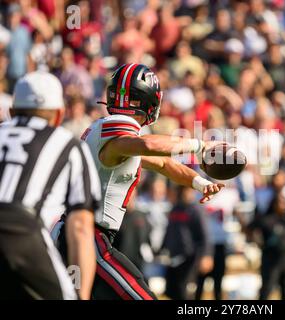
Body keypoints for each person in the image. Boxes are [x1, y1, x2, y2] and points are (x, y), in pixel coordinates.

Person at [53, 63, 225, 300]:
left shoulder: (111, 137)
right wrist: (201, 145)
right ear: (149, 101)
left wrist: (199, 183)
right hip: (88, 238)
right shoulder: (115, 129)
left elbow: (163, 163)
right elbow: (149, 145)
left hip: (77, 236)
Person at [0, 71, 100, 299]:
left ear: (12, 111)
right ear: (58, 115)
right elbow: (81, 227)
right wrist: (81, 294)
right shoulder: (68, 144)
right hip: (23, 232)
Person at [238, 192, 285, 300]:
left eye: (284, 203)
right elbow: (248, 229)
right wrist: (257, 242)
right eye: (279, 202)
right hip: (270, 260)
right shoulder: (266, 219)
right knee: (266, 289)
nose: (281, 205)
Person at [163, 186, 213, 300]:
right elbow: (169, 230)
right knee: (170, 289)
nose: (185, 194)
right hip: (174, 255)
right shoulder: (175, 208)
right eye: (182, 190)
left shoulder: (196, 210)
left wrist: (206, 255)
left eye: (187, 191)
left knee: (183, 290)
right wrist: (163, 248)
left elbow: (205, 235)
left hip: (190, 257)